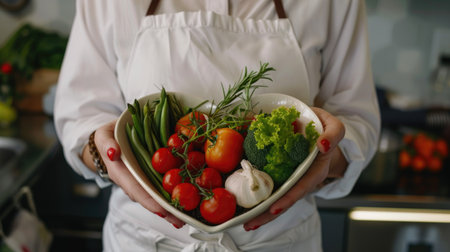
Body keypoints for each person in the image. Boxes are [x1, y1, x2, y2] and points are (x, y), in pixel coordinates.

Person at [54, 0, 380, 251]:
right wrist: (103, 154)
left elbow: (357, 122)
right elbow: (81, 115)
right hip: (145, 241)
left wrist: (322, 159)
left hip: (279, 241)